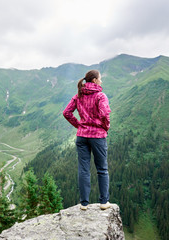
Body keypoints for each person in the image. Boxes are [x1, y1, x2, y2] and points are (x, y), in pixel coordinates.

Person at [63, 69, 112, 211]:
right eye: (100, 78)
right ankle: (104, 202)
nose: (101, 81)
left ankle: (84, 204)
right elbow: (104, 113)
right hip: (97, 136)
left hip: (82, 136)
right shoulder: (100, 96)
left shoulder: (78, 95)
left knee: (83, 170)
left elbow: (66, 113)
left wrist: (79, 125)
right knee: (102, 169)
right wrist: (105, 127)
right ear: (95, 80)